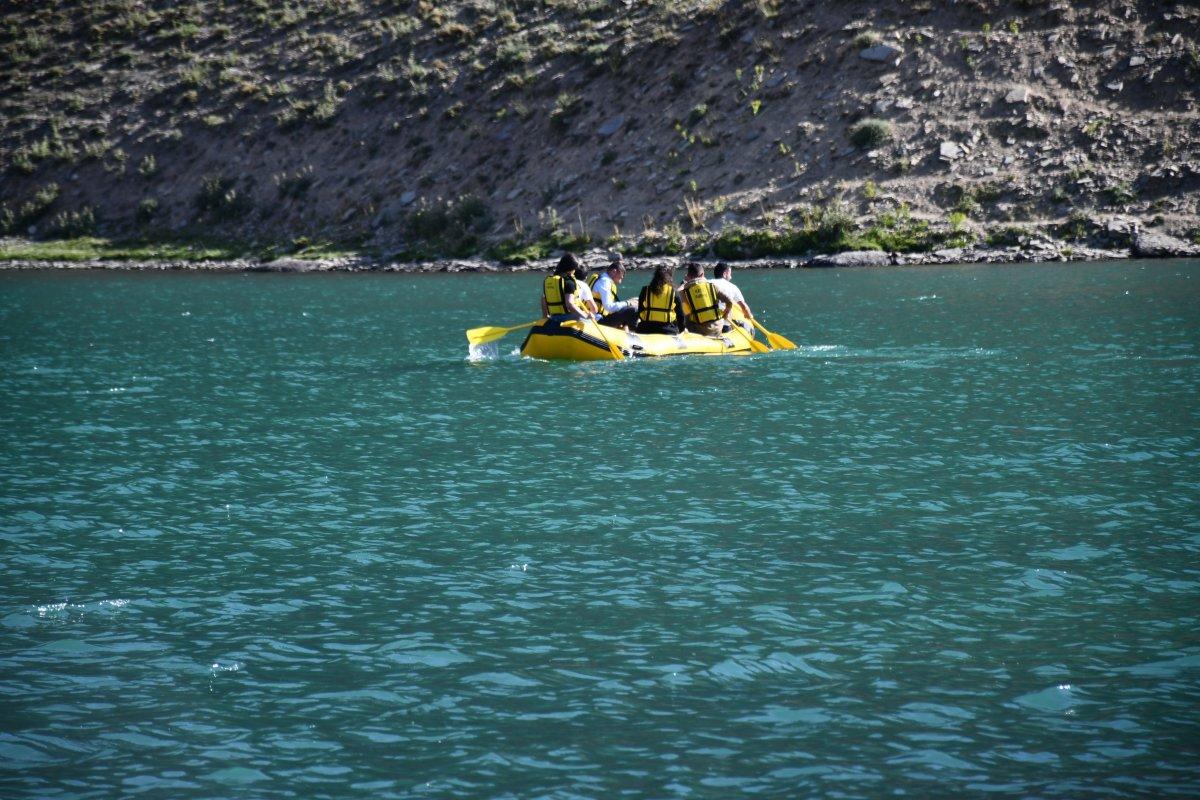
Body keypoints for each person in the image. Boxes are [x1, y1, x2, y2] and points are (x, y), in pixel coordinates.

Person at [678, 261, 735, 337]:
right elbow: (730, 301)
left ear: (688, 276)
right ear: (702, 274)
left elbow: (687, 313)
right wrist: (725, 314)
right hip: (718, 328)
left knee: (687, 319)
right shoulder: (712, 286)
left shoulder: (685, 292)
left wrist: (683, 284)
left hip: (700, 331)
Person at [590, 256, 639, 330]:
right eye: (620, 278)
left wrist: (628, 302)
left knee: (626, 309)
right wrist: (628, 302)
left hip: (598, 316)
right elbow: (609, 307)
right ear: (614, 272)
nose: (620, 282)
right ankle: (634, 335)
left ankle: (626, 331)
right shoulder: (604, 282)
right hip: (598, 320)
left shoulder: (601, 279)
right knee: (633, 310)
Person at [636, 264, 684, 335]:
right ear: (669, 277)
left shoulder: (645, 290)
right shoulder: (674, 292)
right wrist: (681, 330)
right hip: (668, 330)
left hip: (645, 328)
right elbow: (680, 316)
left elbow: (640, 311)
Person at [709, 261, 754, 332]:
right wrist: (750, 317)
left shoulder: (706, 283)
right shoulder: (732, 287)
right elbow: (744, 307)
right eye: (730, 274)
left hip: (706, 324)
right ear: (724, 274)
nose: (731, 277)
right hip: (723, 326)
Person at [541, 254, 589, 319]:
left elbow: (543, 299)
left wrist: (545, 316)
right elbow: (569, 304)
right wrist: (585, 315)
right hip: (569, 317)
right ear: (571, 269)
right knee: (589, 321)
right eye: (575, 268)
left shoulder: (549, 280)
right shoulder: (569, 282)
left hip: (554, 317)